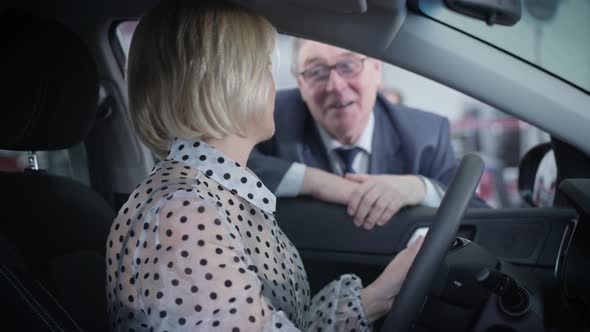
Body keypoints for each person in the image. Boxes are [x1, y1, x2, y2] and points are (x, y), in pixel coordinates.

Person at [105, 1, 424, 331]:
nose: (274, 85)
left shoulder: (207, 195)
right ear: (228, 82)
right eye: (264, 67)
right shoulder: (185, 213)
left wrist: (375, 299)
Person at [248, 39, 485, 230]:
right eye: (317, 71)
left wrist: (419, 188)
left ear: (376, 70)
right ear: (301, 84)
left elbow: (480, 214)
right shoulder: (271, 115)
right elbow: (219, 161)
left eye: (348, 65)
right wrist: (316, 182)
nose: (336, 86)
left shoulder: (426, 134)